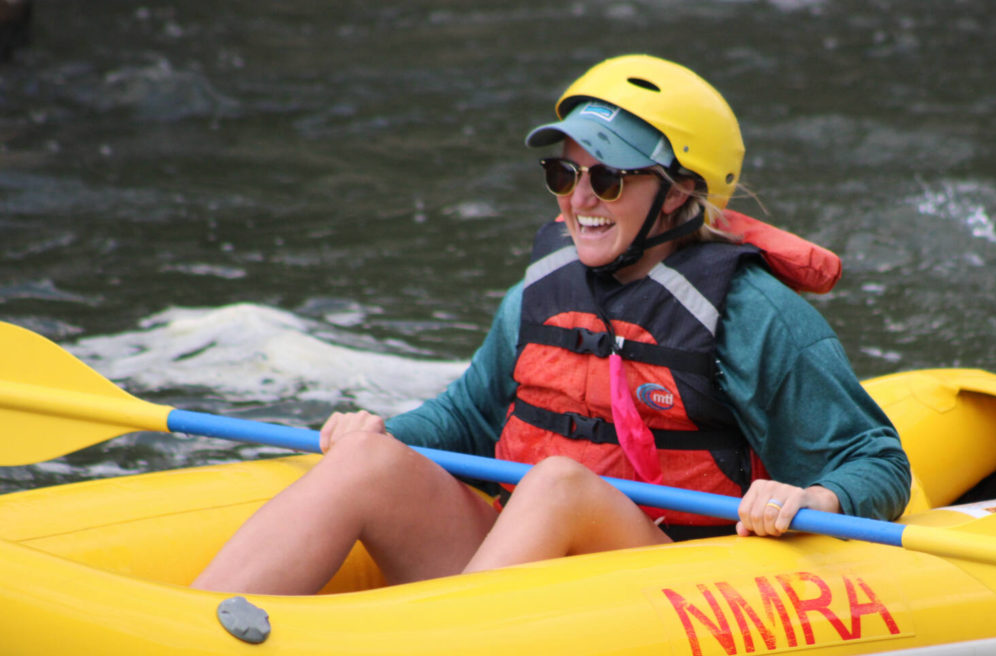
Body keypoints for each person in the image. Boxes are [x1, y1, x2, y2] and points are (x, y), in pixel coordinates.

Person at [191, 54, 911, 595]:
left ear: (679, 194)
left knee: (559, 483)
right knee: (370, 460)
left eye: (610, 178)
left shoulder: (756, 316)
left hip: (669, 589)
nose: (580, 199)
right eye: (565, 175)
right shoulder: (540, 294)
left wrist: (811, 497)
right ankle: (199, 640)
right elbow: (469, 418)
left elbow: (878, 462)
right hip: (526, 577)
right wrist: (374, 435)